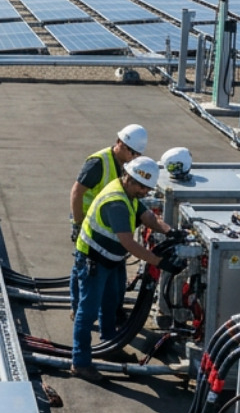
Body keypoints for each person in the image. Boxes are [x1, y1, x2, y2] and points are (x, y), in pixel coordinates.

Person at [69, 156, 171, 383]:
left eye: (148, 188)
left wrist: (170, 231)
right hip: (94, 259)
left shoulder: (129, 193)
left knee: (112, 303)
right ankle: (80, 362)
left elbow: (147, 217)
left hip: (110, 259)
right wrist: (158, 262)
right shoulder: (116, 202)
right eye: (142, 187)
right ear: (130, 178)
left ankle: (110, 345)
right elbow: (129, 243)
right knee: (88, 311)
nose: (145, 191)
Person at [68, 124, 147, 312]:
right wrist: (78, 224)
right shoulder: (98, 163)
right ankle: (77, 307)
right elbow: (77, 193)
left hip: (108, 226)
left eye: (137, 154)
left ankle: (110, 310)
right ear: (119, 142)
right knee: (82, 267)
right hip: (88, 224)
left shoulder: (128, 166)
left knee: (109, 270)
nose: (133, 157)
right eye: (131, 151)